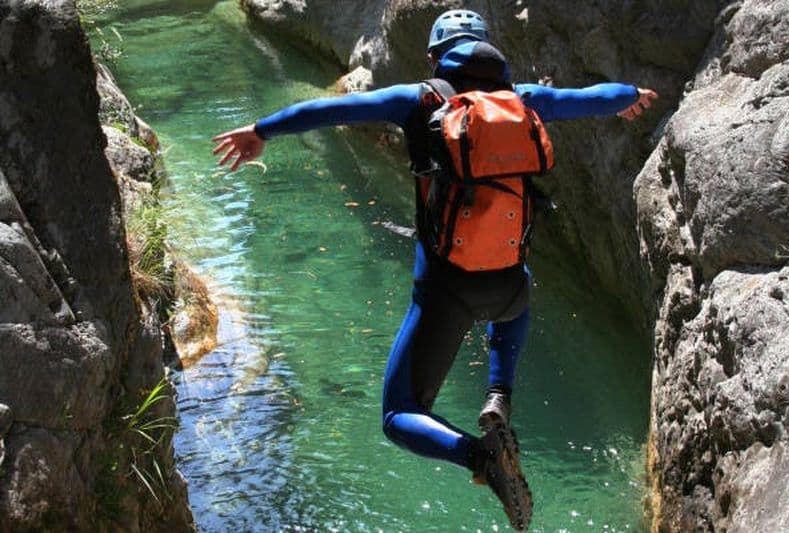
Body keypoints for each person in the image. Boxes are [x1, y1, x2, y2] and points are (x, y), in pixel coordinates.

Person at [213, 9, 657, 531]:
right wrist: (631, 94)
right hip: (510, 289)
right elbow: (589, 99)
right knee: (520, 287)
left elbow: (330, 111)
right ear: (490, 53)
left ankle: (478, 457)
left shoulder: (418, 100)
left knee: (398, 414)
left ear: (433, 57)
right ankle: (499, 396)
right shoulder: (524, 101)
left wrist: (262, 129)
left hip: (446, 292)